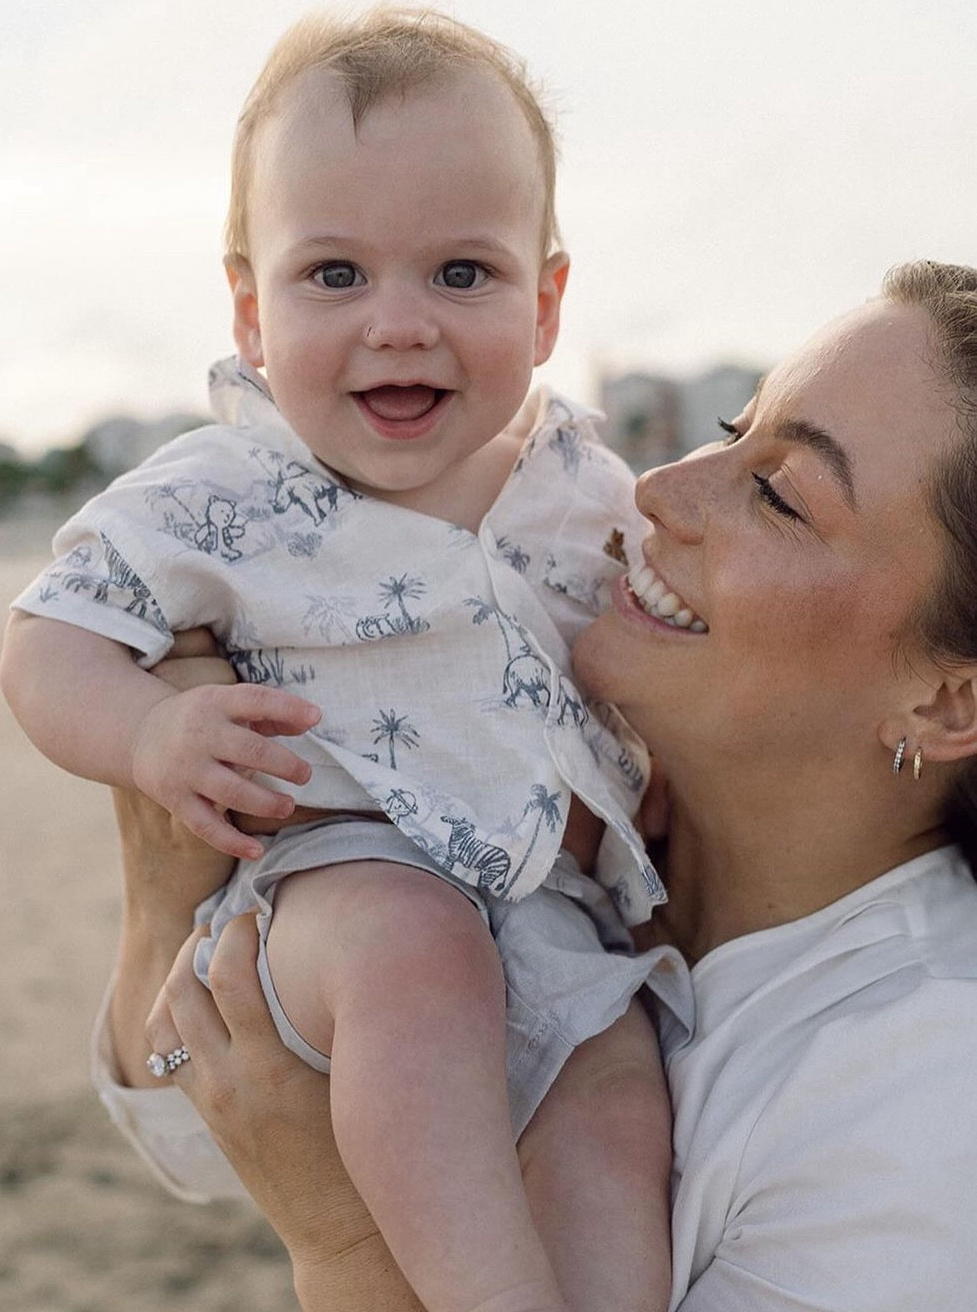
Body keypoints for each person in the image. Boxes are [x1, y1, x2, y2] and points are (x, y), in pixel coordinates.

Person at [108, 259, 977, 1312]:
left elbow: (277, 1145)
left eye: (777, 494)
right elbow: (206, 1131)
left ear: (945, 704)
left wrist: (342, 1242)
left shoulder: (924, 1102)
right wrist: (163, 899)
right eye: (731, 423)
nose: (659, 487)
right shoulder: (542, 788)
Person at [0, 11, 680, 1312]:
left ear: (545, 303)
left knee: (614, 1090)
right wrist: (148, 736)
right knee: (413, 953)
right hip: (333, 886)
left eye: (460, 274)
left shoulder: (583, 487)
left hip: (550, 904)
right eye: (334, 277)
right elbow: (47, 642)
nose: (399, 325)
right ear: (249, 309)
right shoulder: (220, 490)